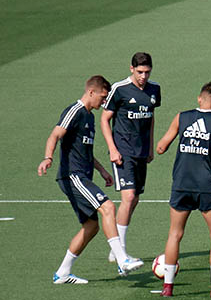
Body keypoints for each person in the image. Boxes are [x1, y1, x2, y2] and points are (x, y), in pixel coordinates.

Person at [38, 75, 143, 285]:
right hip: (72, 175)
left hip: (83, 174)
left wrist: (103, 171)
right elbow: (55, 135)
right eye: (103, 97)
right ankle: (122, 259)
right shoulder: (74, 111)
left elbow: (85, 151)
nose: (104, 102)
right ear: (91, 92)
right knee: (108, 207)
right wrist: (48, 157)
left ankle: (63, 273)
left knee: (91, 226)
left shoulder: (89, 117)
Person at [155, 82, 211, 298]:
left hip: (181, 184)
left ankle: (167, 287)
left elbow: (161, 147)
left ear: (199, 98)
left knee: (175, 234)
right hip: (207, 186)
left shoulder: (181, 117)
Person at [100, 52, 161, 263]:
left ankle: (116, 247)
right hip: (123, 152)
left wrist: (151, 147)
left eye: (147, 72)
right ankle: (120, 252)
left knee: (135, 199)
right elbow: (105, 119)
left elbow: (151, 118)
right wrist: (112, 148)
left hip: (141, 152)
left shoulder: (155, 89)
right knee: (128, 197)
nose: (143, 76)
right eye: (140, 72)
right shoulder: (119, 89)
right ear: (131, 69)